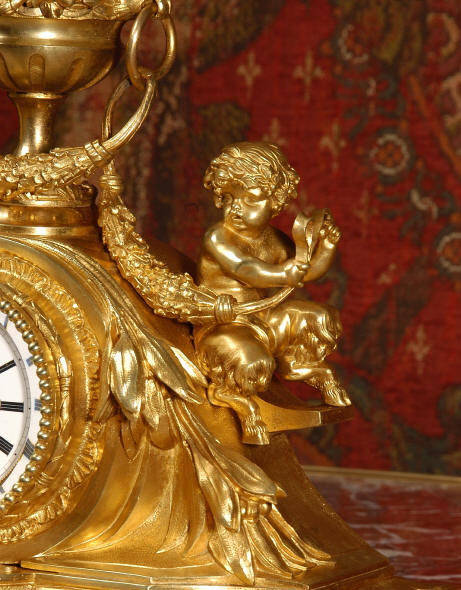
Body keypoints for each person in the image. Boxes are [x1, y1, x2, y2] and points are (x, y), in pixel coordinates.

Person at [195, 141, 351, 444]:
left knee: (317, 318)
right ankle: (234, 398)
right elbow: (245, 268)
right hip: (227, 325)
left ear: (276, 200)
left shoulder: (274, 240)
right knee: (252, 361)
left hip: (264, 319)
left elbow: (303, 272)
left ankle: (299, 365)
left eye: (250, 199)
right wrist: (283, 273)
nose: (236, 208)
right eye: (228, 198)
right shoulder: (218, 238)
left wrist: (326, 249)